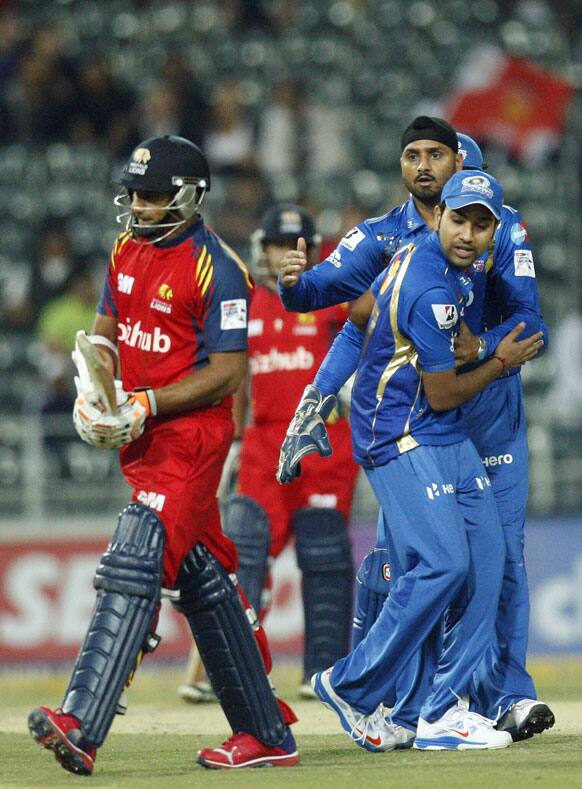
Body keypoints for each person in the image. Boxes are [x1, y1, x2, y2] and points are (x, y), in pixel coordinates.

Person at [26, 134, 299, 774]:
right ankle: (265, 733)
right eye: (137, 196)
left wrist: (144, 402)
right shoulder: (124, 249)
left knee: (135, 552)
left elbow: (230, 374)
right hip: (147, 442)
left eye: (155, 196)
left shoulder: (219, 266)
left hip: (195, 438)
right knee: (205, 581)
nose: (142, 207)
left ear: (190, 196)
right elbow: (105, 335)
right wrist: (91, 393)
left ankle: (82, 722)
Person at [278, 117, 553, 741]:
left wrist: (477, 345)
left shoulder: (501, 229)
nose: (426, 167)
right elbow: (343, 318)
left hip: (482, 420)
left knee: (491, 561)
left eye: (440, 156)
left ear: (463, 171)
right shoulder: (393, 242)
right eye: (413, 155)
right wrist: (317, 388)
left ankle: (492, 697)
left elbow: (530, 322)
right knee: (422, 565)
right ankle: (403, 702)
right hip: (419, 422)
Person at [178, 204, 358, 702]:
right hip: (262, 441)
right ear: (265, 248)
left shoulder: (333, 297)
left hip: (325, 438)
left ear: (312, 249)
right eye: (277, 245)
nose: (283, 254)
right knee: (243, 550)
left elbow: (369, 335)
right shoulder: (249, 299)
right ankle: (234, 672)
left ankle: (322, 674)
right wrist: (232, 440)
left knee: (324, 555)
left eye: (292, 245)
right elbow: (234, 378)